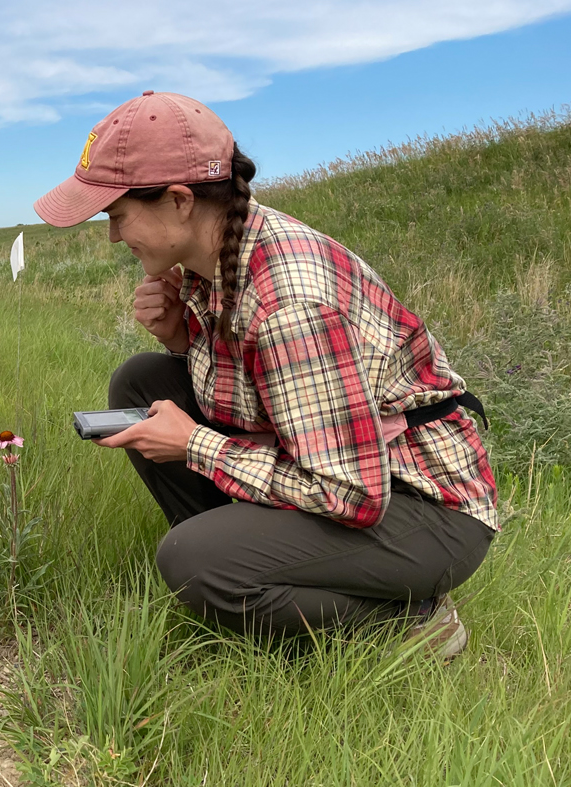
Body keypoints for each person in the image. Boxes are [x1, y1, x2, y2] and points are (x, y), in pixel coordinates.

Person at [34, 91, 497, 658]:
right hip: (349, 462)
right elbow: (264, 388)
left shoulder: (291, 305)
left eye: (118, 214)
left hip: (424, 506)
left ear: (180, 200)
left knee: (191, 563)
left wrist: (197, 447)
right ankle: (255, 553)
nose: (113, 235)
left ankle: (407, 620)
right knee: (143, 382)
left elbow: (351, 494)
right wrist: (182, 338)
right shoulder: (222, 247)